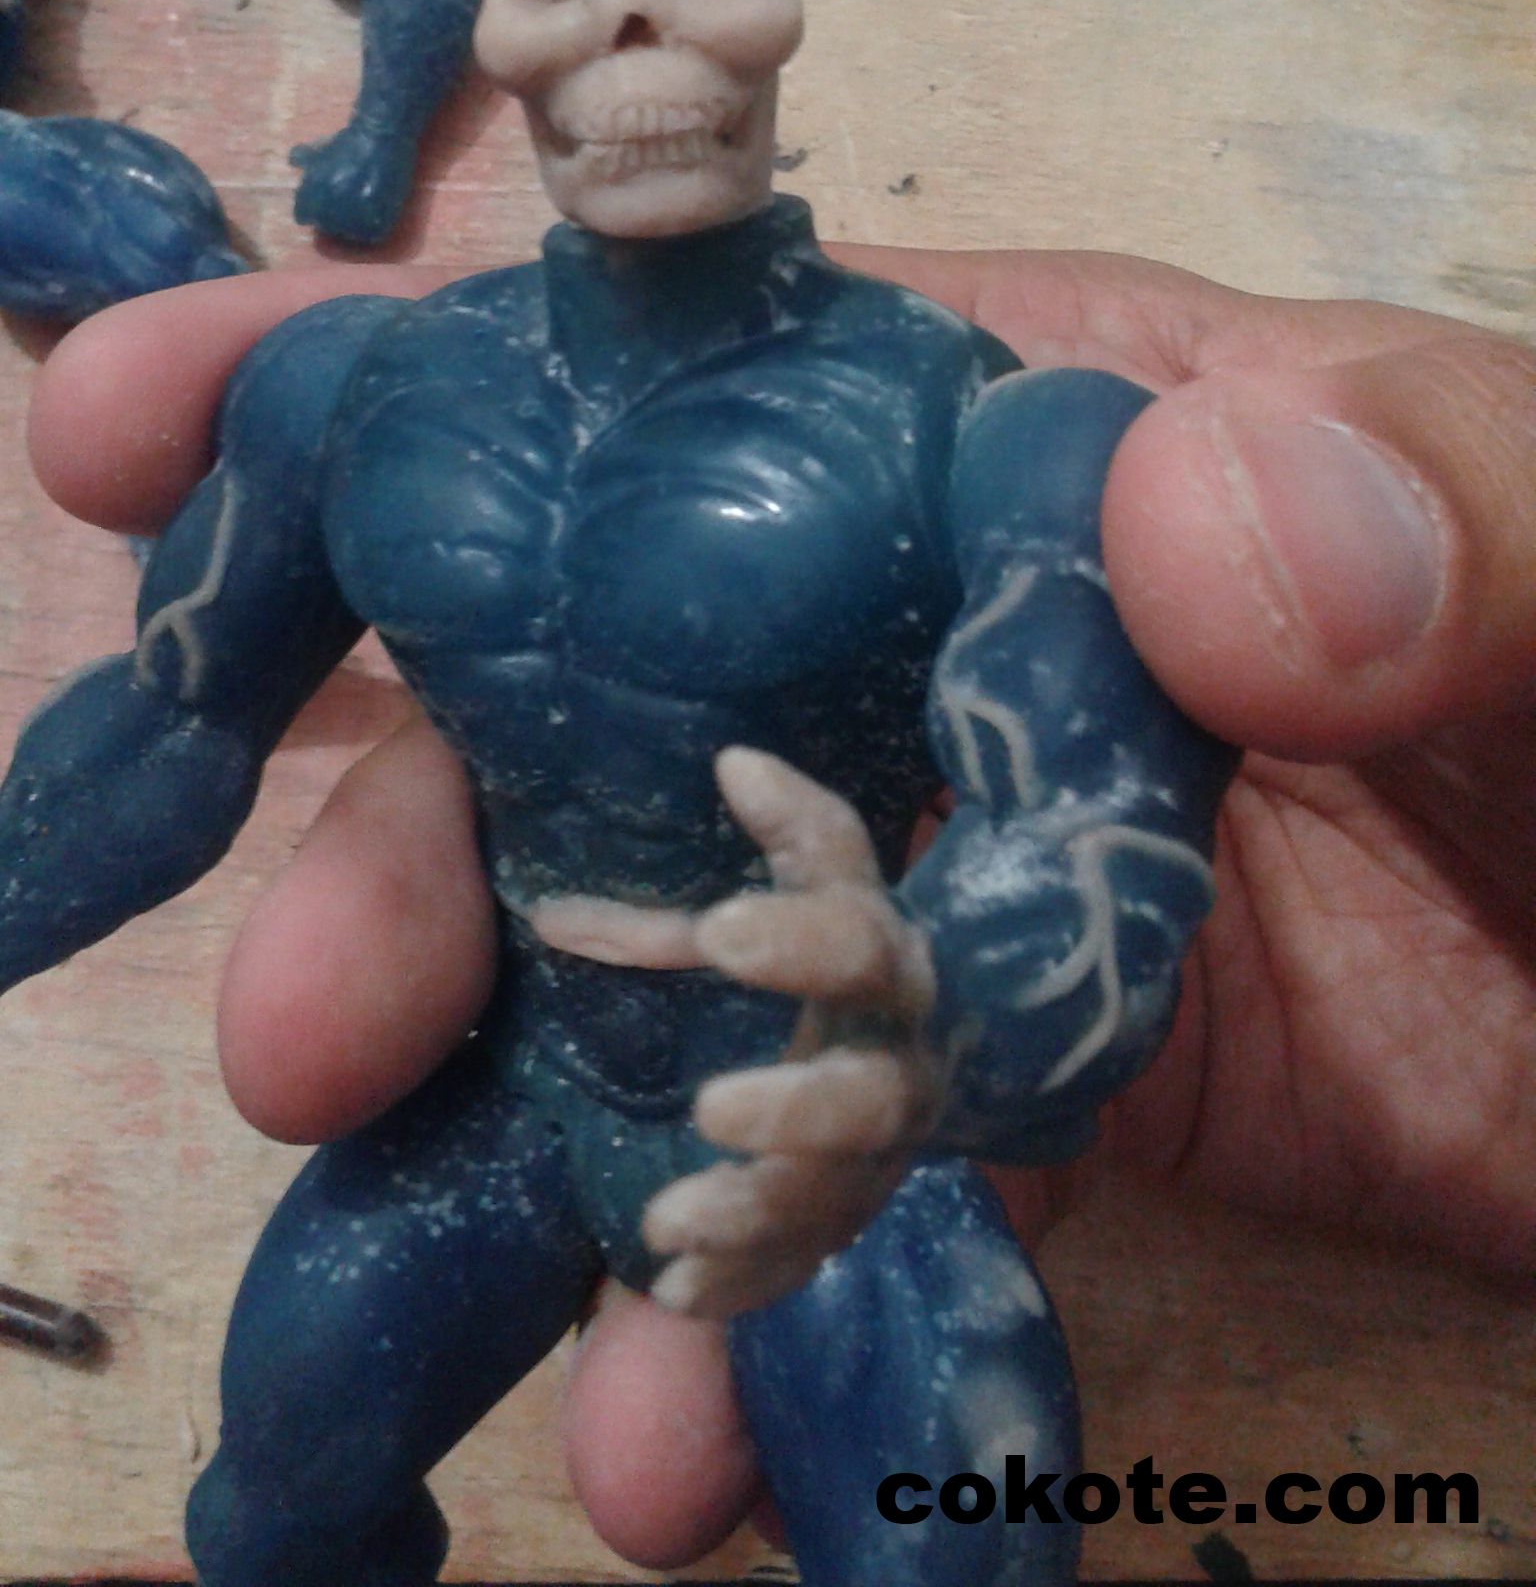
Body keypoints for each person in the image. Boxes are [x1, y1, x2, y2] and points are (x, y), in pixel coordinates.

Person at [26, 228, 1535, 1571]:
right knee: (276, 1510)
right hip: (524, 1075)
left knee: (961, 1552)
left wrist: (934, 1026)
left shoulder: (997, 424)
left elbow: (1093, 847)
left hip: (832, 1115)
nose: (633, 28)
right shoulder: (362, 383)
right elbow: (170, 721)